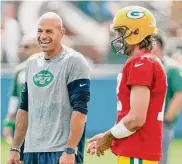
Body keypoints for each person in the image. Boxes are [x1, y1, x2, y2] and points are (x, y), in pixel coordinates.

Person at [87, 6, 167, 164]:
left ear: (136, 32)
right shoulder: (145, 61)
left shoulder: (141, 62)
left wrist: (108, 136)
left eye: (121, 32)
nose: (118, 37)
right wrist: (111, 138)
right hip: (137, 152)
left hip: (137, 153)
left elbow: (136, 119)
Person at [8, 12, 90, 164]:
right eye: (40, 31)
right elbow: (24, 108)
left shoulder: (74, 61)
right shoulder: (31, 63)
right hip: (31, 151)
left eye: (49, 31)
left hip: (60, 152)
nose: (43, 36)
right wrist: (15, 148)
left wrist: (70, 150)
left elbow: (80, 110)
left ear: (62, 33)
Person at [3, 35, 40, 163]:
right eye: (22, 46)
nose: (23, 50)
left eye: (26, 46)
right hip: (23, 119)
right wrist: (8, 121)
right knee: (21, 156)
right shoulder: (20, 70)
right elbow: (14, 97)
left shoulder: (47, 68)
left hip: (40, 119)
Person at [152, 34, 182, 164]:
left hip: (160, 121)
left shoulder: (171, 68)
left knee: (159, 158)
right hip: (145, 120)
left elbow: (179, 93)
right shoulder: (146, 65)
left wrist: (167, 118)